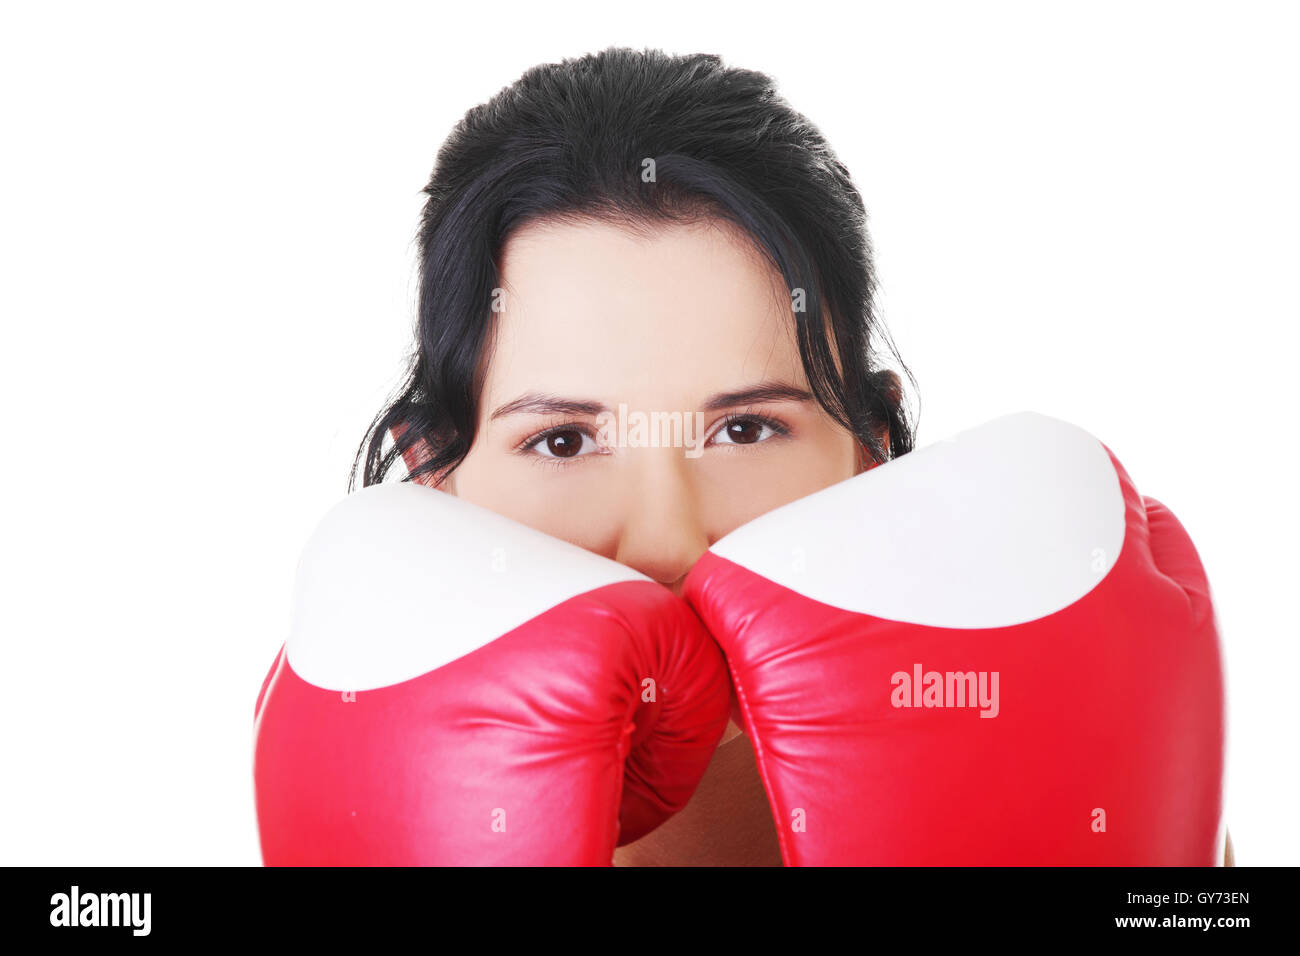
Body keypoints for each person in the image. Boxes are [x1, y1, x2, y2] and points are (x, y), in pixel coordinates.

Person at [349, 47, 1230, 866]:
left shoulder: (1076, 763)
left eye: (745, 429)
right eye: (564, 440)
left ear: (873, 450)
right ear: (434, 478)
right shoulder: (362, 807)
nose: (669, 543)